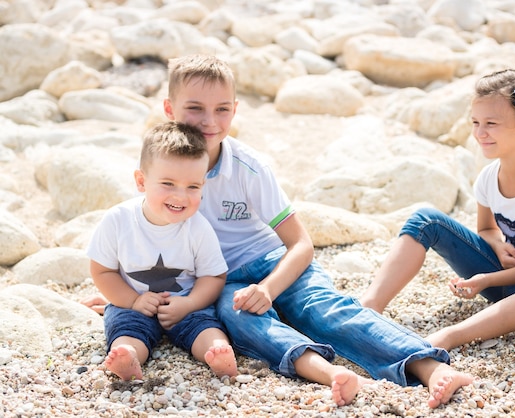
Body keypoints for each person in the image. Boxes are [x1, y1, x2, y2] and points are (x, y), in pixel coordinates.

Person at [155, 53, 474, 407]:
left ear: (235, 108)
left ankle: (431, 368)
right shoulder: (163, 170)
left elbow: (301, 244)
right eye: (195, 108)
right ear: (169, 109)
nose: (209, 122)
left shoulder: (248, 168)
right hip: (223, 280)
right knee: (238, 317)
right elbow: (151, 237)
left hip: (276, 263)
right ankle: (327, 371)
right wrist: (122, 292)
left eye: (222, 109)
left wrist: (269, 287)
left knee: (325, 311)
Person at [360, 69, 515, 352]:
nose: (479, 133)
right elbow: (486, 230)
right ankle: (368, 308)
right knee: (425, 220)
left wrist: (484, 280)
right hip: (501, 274)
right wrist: (498, 246)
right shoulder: (489, 177)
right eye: (475, 122)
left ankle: (449, 337)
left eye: (491, 123)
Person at [86, 121, 238, 381]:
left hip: (186, 304)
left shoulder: (198, 228)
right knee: (125, 327)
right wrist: (133, 300)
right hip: (132, 303)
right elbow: (102, 271)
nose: (181, 196)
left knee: (205, 325)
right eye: (168, 183)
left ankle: (217, 352)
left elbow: (213, 277)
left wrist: (189, 303)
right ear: (141, 181)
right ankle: (128, 355)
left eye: (193, 187)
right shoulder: (118, 220)